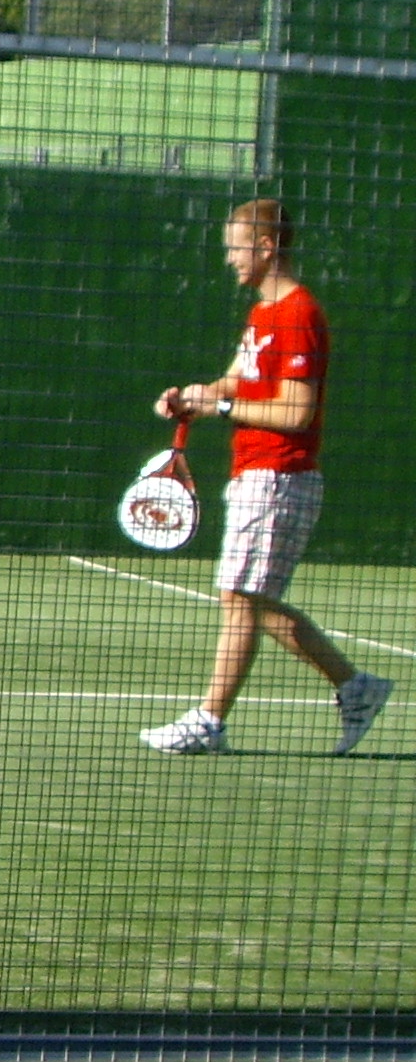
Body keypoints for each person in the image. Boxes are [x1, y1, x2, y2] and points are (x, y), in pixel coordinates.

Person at [139, 198, 391, 757]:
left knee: (239, 598)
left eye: (235, 248)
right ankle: (358, 687)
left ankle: (209, 722)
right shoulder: (261, 315)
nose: (230, 259)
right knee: (254, 599)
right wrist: (193, 397)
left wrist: (224, 408)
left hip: (280, 476)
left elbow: (297, 412)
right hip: (252, 473)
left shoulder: (299, 314)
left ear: (266, 246)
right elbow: (234, 380)